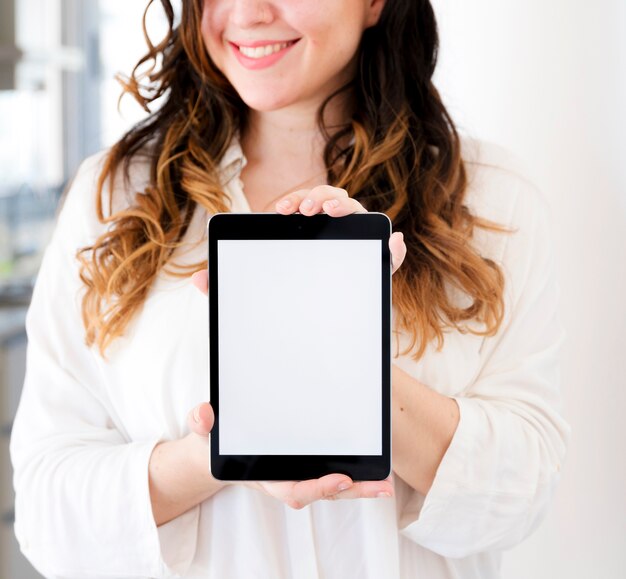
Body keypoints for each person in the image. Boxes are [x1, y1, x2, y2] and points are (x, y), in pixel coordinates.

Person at [10, 0, 570, 577]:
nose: (249, 13)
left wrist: (352, 367)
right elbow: (48, 511)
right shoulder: (113, 196)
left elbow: (522, 493)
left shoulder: (491, 198)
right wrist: (231, 447)